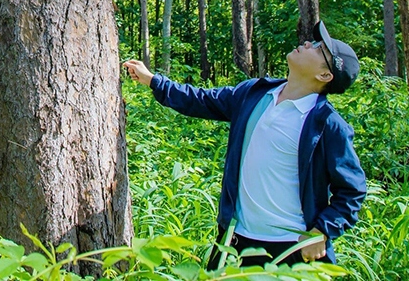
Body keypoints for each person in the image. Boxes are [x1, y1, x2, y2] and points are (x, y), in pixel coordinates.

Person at [122, 20, 366, 269]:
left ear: (324, 75)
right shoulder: (255, 93)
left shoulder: (328, 124)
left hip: (291, 251)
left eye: (317, 48)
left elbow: (352, 190)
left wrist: (322, 232)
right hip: (236, 244)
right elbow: (203, 100)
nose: (307, 43)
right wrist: (154, 81)